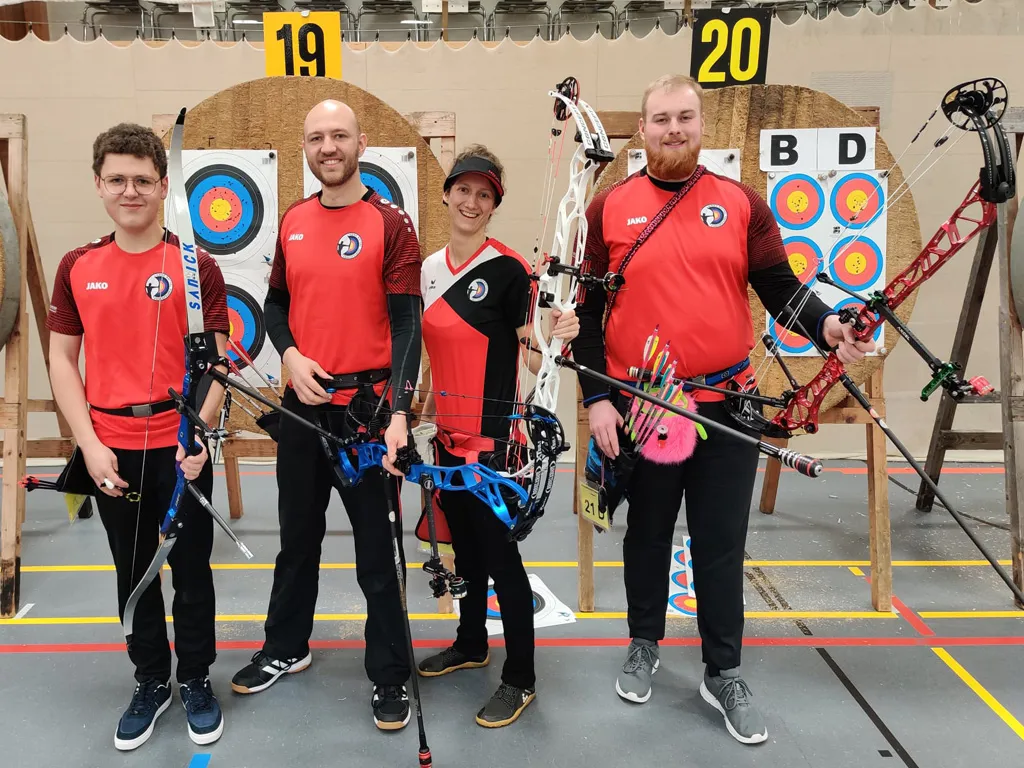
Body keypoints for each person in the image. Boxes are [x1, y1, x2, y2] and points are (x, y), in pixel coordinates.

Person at [572, 75, 875, 745]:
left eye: (684, 117)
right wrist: (597, 398)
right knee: (647, 534)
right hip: (643, 407)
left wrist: (830, 329)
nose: (673, 129)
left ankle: (723, 668)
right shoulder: (608, 209)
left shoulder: (741, 204)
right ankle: (643, 641)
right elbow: (588, 312)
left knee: (719, 544)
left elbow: (782, 291)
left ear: (700, 125)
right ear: (642, 130)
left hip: (727, 405)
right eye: (660, 119)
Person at [229, 99, 423, 732]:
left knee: (376, 552)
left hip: (366, 415)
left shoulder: (391, 225)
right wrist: (289, 355)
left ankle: (391, 675)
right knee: (297, 541)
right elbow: (275, 305)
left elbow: (406, 324)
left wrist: (398, 413)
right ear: (306, 148)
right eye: (316, 137)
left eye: (339, 135)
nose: (328, 146)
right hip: (303, 407)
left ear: (361, 142)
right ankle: (287, 646)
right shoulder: (293, 219)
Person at [47, 123, 230, 750]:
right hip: (112, 448)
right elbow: (61, 361)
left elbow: (217, 361)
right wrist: (90, 445)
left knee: (191, 568)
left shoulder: (195, 264)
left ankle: (196, 679)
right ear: (99, 185)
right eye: (118, 179)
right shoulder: (79, 266)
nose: (131, 190)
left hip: (179, 446)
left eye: (144, 180)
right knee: (133, 570)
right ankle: (151, 679)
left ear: (163, 185)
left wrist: (199, 433)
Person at [412, 145, 579, 727]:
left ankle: (521, 676)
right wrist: (420, 416)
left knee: (501, 559)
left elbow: (535, 358)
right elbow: (435, 354)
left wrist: (558, 334)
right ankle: (471, 642)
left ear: (494, 204)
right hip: (446, 439)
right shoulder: (430, 269)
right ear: (447, 193)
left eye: (485, 195)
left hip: (495, 443)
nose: (471, 202)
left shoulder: (508, 269)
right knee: (463, 548)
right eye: (464, 190)